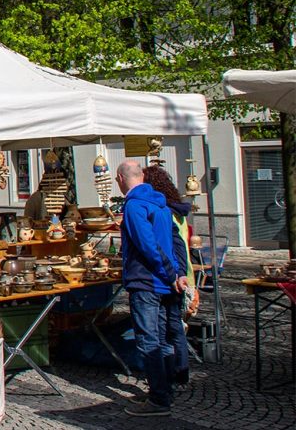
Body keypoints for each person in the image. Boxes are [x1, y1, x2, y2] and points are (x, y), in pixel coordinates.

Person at [116, 160, 188, 417]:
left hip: (147, 281)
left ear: (121, 179)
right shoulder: (161, 203)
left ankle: (159, 399)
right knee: (162, 340)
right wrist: (178, 273)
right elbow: (176, 242)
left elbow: (148, 245)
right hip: (164, 282)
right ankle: (165, 391)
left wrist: (170, 274)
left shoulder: (135, 206)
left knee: (149, 342)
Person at [143, 165, 197, 386]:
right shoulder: (177, 210)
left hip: (174, 274)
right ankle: (179, 372)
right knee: (175, 326)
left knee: (170, 327)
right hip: (181, 273)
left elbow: (175, 245)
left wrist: (176, 272)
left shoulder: (166, 212)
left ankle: (174, 373)